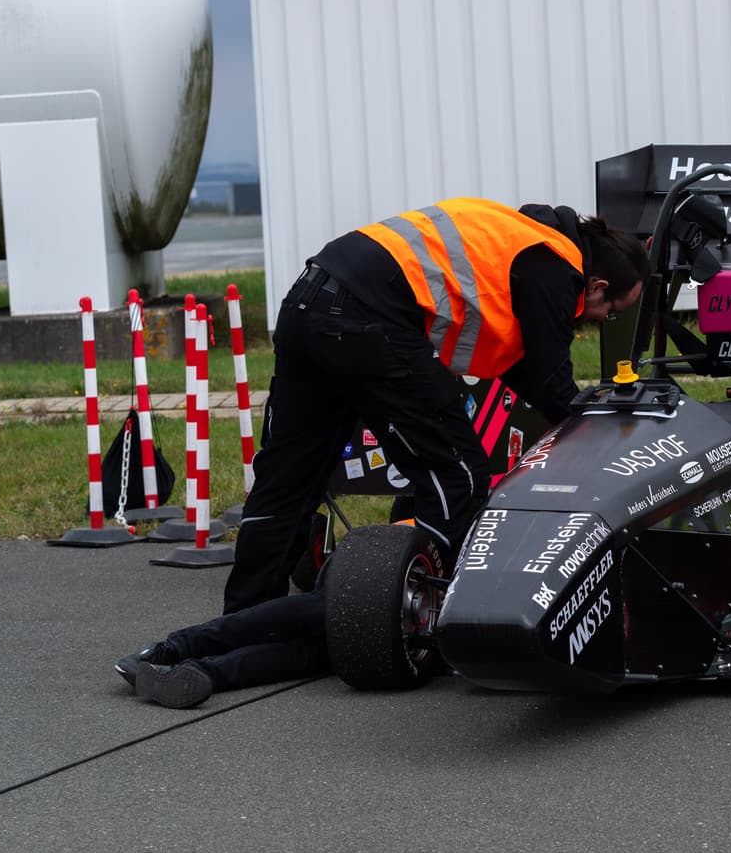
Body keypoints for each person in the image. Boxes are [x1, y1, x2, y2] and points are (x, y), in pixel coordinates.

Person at [225, 199, 647, 613]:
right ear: (598, 286)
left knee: (287, 475)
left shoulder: (523, 237)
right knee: (457, 473)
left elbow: (527, 369)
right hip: (368, 316)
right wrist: (600, 425)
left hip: (309, 296)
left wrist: (573, 406)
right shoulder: (557, 266)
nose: (600, 318)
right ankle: (437, 614)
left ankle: (246, 617)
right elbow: (552, 384)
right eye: (610, 312)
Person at [116, 588, 329, 709]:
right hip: (352, 581)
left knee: (311, 653)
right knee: (317, 610)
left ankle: (195, 674)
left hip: (356, 641)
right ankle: (171, 649)